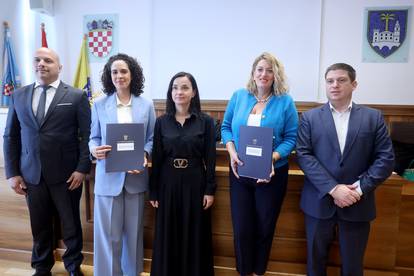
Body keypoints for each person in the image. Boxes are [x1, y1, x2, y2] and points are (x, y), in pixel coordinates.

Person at [296, 63, 394, 276]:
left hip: (357, 204)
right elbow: (304, 156)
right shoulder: (310, 118)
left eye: (341, 80)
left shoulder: (373, 117)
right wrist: (333, 188)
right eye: (330, 81)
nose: (335, 85)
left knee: (352, 265)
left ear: (354, 84)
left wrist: (357, 191)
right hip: (318, 203)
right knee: (315, 263)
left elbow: (385, 159)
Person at [3, 47, 90, 276]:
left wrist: (82, 168)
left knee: (71, 225)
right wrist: (12, 173)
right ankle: (42, 267)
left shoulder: (76, 96)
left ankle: (73, 266)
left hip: (67, 175)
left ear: (59, 67)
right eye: (37, 60)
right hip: (31, 175)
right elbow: (10, 136)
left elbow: (86, 136)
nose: (41, 63)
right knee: (39, 225)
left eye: (48, 60)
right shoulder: (18, 95)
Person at [221, 52, 298, 276]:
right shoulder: (239, 96)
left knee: (264, 227)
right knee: (242, 228)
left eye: (269, 70)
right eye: (260, 69)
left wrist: (272, 158)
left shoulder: (285, 101)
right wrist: (231, 151)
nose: (264, 74)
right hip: (239, 172)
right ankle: (244, 272)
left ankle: (258, 272)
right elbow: (225, 128)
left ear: (276, 75)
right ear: (253, 73)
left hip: (272, 175)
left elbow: (292, 138)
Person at [89, 53, 155, 276]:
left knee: (133, 237)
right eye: (114, 72)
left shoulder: (146, 105)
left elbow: (152, 139)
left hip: (135, 179)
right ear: (109, 76)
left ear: (132, 74)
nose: (119, 76)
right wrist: (93, 149)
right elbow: (93, 138)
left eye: (123, 71)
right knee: (109, 237)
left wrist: (145, 155)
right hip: (108, 180)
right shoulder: (99, 105)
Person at [149, 72, 216, 276]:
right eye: (175, 87)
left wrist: (210, 190)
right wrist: (153, 191)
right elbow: (157, 158)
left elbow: (211, 159)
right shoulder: (161, 122)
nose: (179, 92)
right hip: (167, 183)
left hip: (195, 182)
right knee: (168, 233)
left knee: (194, 232)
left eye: (185, 87)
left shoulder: (206, 122)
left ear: (193, 92)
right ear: (171, 92)